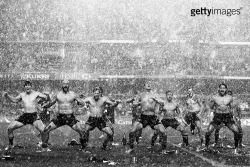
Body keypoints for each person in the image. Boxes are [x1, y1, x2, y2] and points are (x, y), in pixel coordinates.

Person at [2, 81, 49, 156]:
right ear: (24, 87)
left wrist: (43, 100)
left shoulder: (36, 93)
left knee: (43, 130)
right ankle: (10, 145)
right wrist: (7, 96)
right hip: (25, 116)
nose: (27, 87)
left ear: (31, 86)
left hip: (34, 116)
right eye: (26, 85)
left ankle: (44, 146)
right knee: (10, 128)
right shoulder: (22, 94)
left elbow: (46, 97)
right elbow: (14, 100)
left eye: (29, 85)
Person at [42, 80, 86, 151]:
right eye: (64, 84)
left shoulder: (73, 94)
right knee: (46, 130)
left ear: (68, 85)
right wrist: (45, 105)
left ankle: (83, 148)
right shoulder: (58, 94)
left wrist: (79, 101)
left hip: (70, 117)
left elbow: (82, 103)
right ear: (62, 85)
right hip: (60, 117)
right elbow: (51, 102)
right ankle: (45, 148)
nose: (65, 85)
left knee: (82, 131)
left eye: (66, 84)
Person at [126, 84, 167, 154]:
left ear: (151, 86)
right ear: (144, 86)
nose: (149, 85)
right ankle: (131, 148)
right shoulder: (141, 95)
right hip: (143, 117)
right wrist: (135, 103)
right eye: (147, 84)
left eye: (150, 84)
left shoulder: (155, 95)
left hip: (153, 118)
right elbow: (134, 104)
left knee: (163, 132)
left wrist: (158, 102)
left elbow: (162, 102)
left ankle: (164, 150)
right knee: (132, 131)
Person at [205, 84, 242, 154]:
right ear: (218, 89)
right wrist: (211, 103)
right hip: (217, 116)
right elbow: (210, 107)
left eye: (224, 88)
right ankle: (206, 146)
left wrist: (235, 111)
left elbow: (232, 107)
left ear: (226, 89)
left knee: (236, 131)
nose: (222, 89)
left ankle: (236, 148)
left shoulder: (230, 97)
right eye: (221, 88)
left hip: (227, 117)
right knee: (208, 132)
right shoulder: (214, 97)